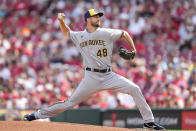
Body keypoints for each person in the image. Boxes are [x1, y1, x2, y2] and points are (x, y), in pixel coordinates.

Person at [24, 9, 165, 130]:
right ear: (87, 19)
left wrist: (133, 49)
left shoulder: (106, 32)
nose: (98, 18)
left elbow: (124, 33)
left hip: (109, 75)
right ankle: (36, 115)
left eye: (99, 16)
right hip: (91, 77)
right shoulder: (80, 36)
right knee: (69, 103)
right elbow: (67, 32)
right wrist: (61, 21)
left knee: (134, 89)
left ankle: (148, 122)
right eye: (95, 16)